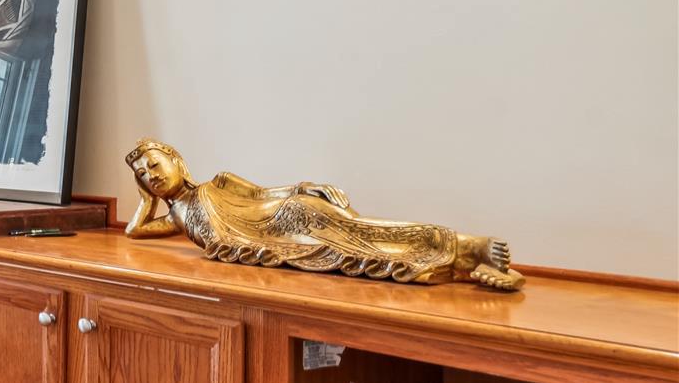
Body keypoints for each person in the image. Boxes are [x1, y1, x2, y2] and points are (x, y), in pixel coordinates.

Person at [123, 139, 523, 291]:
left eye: (155, 166)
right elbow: (135, 231)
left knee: (358, 233)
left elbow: (264, 193)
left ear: (176, 160)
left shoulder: (219, 183)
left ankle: (467, 245)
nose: (152, 177)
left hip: (286, 216)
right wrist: (145, 199)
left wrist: (304, 187)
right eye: (143, 176)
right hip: (270, 247)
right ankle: (464, 260)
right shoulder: (177, 217)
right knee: (357, 257)